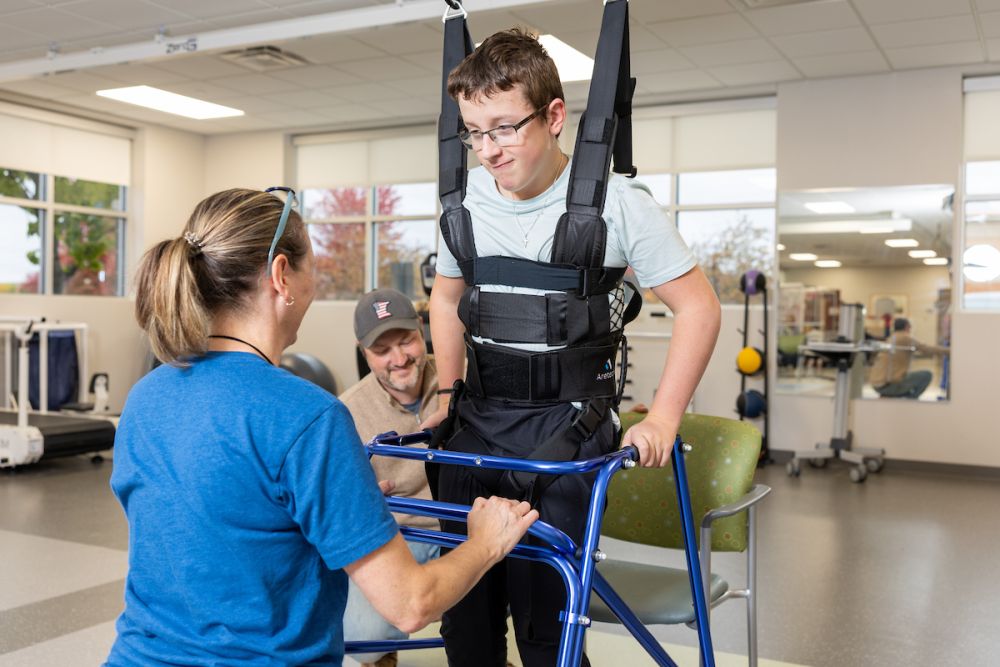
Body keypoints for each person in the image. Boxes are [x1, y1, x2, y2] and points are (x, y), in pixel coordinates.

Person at [104, 188, 537, 667]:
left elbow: (212, 539)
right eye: (313, 261)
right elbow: (411, 603)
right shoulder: (307, 415)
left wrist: (335, 501)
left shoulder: (144, 397)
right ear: (282, 275)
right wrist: (486, 541)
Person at [424, 30, 721, 667]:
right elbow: (447, 300)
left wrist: (664, 416)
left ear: (554, 115)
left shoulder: (617, 205)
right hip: (479, 418)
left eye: (503, 129)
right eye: (474, 133)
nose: (486, 151)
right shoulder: (462, 203)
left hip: (568, 426)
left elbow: (698, 307)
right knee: (465, 623)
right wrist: (447, 393)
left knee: (543, 626)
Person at [340, 288, 441, 667]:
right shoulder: (345, 411)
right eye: (382, 351)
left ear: (421, 330)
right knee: (360, 640)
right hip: (400, 539)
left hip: (467, 530)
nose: (399, 359)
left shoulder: (457, 381)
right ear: (363, 352)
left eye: (407, 342)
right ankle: (383, 653)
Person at [869, 317, 949, 399]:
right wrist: (949, 351)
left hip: (877, 384)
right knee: (927, 375)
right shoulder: (904, 337)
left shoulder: (891, 338)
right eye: (910, 327)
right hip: (888, 385)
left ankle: (893, 395)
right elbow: (926, 349)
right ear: (907, 326)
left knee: (908, 375)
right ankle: (910, 398)